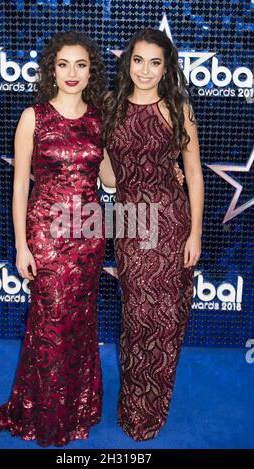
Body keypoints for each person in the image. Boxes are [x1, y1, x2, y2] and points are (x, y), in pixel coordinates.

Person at [0, 31, 109, 447]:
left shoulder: (100, 117)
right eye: (64, 64)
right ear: (52, 69)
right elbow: (19, 186)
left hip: (88, 235)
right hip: (47, 235)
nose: (72, 73)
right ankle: (44, 413)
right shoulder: (33, 116)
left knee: (79, 322)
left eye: (81, 64)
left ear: (91, 72)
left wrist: (159, 174)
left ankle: (78, 406)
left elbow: (108, 178)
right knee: (50, 323)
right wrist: (21, 245)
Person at [103, 29, 204, 441]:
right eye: (138, 60)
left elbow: (194, 175)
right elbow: (109, 173)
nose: (145, 70)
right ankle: (133, 405)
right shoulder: (109, 105)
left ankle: (153, 405)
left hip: (171, 221)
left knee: (164, 320)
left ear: (167, 67)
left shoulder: (179, 109)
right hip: (130, 221)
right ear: (128, 63)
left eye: (155, 62)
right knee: (136, 318)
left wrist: (195, 233)